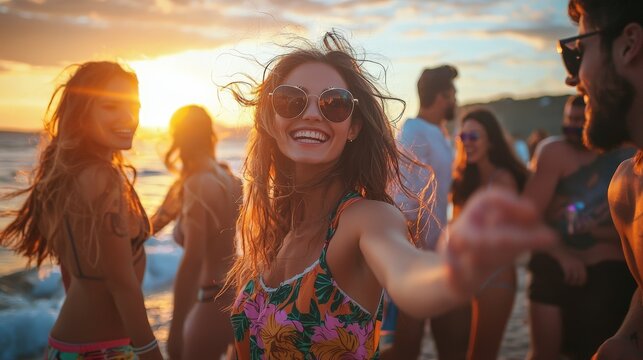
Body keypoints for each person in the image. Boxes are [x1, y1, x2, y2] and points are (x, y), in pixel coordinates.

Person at [224, 31, 555, 359]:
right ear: (270, 117)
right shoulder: (273, 231)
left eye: (334, 103)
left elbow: (408, 277)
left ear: (353, 127)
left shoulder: (365, 219)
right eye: (291, 100)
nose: (312, 113)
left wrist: (455, 270)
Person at [0, 61, 162, 359]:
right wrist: (152, 353)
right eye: (110, 106)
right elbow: (121, 283)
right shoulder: (103, 178)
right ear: (82, 113)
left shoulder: (65, 177)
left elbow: (74, 270)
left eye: (134, 106)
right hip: (104, 350)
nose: (128, 117)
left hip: (67, 345)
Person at [558, 1, 643, 358]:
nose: (571, 79)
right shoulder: (627, 188)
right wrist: (625, 336)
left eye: (578, 53)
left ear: (628, 45)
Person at [523, 95, 636, 360]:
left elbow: (632, 234)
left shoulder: (628, 155)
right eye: (568, 121)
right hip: (554, 265)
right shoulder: (554, 152)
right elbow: (528, 216)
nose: (573, 127)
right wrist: (561, 253)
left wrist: (594, 231)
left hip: (612, 273)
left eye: (580, 121)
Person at [150, 105, 242, 359]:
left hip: (209, 307)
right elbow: (149, 226)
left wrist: (176, 327)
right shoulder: (229, 179)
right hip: (240, 301)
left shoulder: (195, 185)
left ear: (179, 138)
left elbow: (192, 260)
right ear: (209, 135)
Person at [383, 64, 459, 360]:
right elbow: (404, 197)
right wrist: (411, 256)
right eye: (453, 93)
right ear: (443, 95)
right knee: (406, 348)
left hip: (437, 253)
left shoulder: (438, 132)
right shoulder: (413, 132)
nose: (455, 99)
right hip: (418, 255)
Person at [451, 108, 529, 359]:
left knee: (482, 354)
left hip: (495, 279)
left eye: (475, 137)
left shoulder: (503, 179)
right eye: (464, 137)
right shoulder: (466, 178)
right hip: (467, 275)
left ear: (491, 140)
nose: (468, 143)